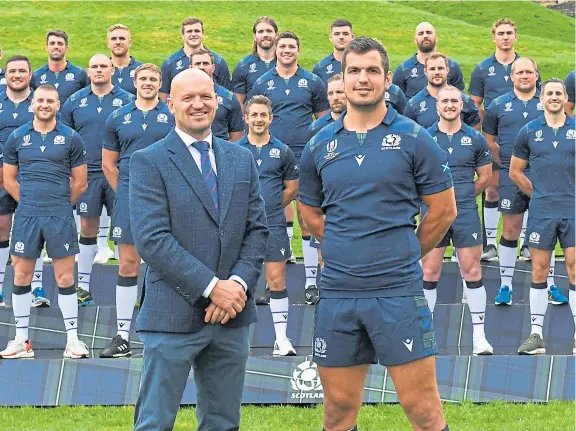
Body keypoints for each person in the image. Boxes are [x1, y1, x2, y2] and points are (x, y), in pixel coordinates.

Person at [298, 37, 455, 431]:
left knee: (423, 410)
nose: (362, 79)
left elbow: (443, 210)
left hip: (396, 290)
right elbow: (309, 211)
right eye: (354, 71)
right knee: (336, 413)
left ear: (387, 79)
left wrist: (403, 252)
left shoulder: (416, 138)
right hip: (337, 291)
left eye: (372, 71)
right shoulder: (319, 144)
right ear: (343, 78)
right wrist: (339, 245)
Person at [130, 68, 268, 431]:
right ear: (170, 104)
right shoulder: (149, 161)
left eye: (205, 96)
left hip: (232, 315)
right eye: (187, 98)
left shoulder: (241, 159)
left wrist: (236, 285)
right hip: (172, 314)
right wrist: (212, 288)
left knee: (223, 422)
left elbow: (257, 230)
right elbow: (152, 239)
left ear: (218, 101)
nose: (198, 104)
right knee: (155, 422)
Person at [0, 85, 88, 359]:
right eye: (40, 100)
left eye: (50, 100)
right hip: (27, 216)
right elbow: (9, 179)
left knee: (65, 277)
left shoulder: (72, 138)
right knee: (22, 275)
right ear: (32, 104)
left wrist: (59, 204)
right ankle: (21, 340)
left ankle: (73, 340)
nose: (45, 104)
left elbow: (81, 183)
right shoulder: (17, 138)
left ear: (58, 104)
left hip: (59, 216)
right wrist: (28, 202)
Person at [101, 63, 174, 358]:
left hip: (166, 201)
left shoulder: (171, 116)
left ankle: (165, 331)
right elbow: (109, 164)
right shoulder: (118, 117)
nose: (147, 83)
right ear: (134, 81)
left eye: (153, 79)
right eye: (142, 78)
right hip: (129, 200)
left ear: (160, 83)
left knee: (166, 264)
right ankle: (122, 336)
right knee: (128, 264)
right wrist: (128, 195)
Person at [251, 31, 329, 302]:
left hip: (304, 156)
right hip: (272, 159)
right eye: (282, 46)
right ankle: (273, 280)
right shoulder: (262, 82)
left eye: (291, 47)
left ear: (298, 50)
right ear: (275, 49)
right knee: (273, 218)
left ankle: (311, 283)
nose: (286, 50)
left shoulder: (312, 81)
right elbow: (254, 117)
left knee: (307, 217)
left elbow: (323, 122)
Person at [484, 57, 566, 306]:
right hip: (513, 175)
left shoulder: (548, 101)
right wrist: (510, 163)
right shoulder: (497, 106)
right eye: (519, 72)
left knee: (547, 230)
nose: (524, 76)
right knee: (511, 229)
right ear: (511, 77)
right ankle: (506, 285)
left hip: (546, 177)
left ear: (536, 75)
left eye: (529, 72)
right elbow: (488, 142)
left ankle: (550, 285)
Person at [422, 86, 493, 355]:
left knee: (472, 270)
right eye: (445, 101)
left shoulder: (475, 139)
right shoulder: (426, 138)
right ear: (436, 106)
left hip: (465, 213)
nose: (450, 105)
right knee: (429, 272)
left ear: (462, 105)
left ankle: (479, 337)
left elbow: (485, 177)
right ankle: (426, 337)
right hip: (433, 215)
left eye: (455, 101)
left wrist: (461, 197)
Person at [61, 54, 134, 307]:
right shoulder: (74, 102)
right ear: (88, 71)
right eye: (95, 66)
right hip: (88, 174)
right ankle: (82, 287)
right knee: (88, 229)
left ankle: (130, 288)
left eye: (104, 66)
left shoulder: (128, 101)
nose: (99, 70)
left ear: (113, 69)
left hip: (119, 173)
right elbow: (66, 138)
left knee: (128, 231)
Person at [509, 78, 576, 355]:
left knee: (574, 267)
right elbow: (515, 171)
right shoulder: (528, 131)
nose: (554, 97)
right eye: (549, 93)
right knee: (539, 269)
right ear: (542, 99)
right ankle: (536, 335)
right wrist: (536, 194)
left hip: (572, 210)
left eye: (558, 93)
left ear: (565, 97)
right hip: (542, 211)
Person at [237, 95, 298, 355]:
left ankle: (281, 339)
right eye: (255, 115)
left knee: (276, 280)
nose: (259, 119)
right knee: (240, 281)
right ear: (246, 118)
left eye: (264, 115)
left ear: (271, 119)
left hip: (273, 223)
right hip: (241, 225)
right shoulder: (236, 151)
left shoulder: (282, 151)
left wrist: (270, 208)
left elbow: (292, 187)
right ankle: (238, 341)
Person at [469, 18, 529, 261]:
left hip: (525, 143)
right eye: (501, 33)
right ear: (493, 37)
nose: (505, 37)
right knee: (492, 190)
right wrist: (486, 133)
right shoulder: (482, 69)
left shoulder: (526, 66)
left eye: (509, 33)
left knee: (527, 191)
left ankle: (526, 243)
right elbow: (474, 105)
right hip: (495, 141)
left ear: (515, 37)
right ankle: (490, 244)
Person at [0, 56, 48, 308]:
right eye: (12, 71)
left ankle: (36, 288)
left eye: (22, 71)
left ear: (30, 74)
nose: (17, 75)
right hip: (1, 174)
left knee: (34, 231)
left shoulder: (40, 101)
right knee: (1, 228)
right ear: (5, 75)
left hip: (34, 174)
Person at [160, 17, 231, 100]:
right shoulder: (170, 63)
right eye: (189, 31)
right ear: (182, 35)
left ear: (203, 33)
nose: (193, 34)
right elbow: (163, 96)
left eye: (197, 31)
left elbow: (227, 94)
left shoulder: (218, 61)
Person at [404, 52, 480, 129]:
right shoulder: (413, 104)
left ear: (447, 70)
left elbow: (474, 129)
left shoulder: (464, 100)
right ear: (425, 72)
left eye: (440, 68)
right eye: (432, 69)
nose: (437, 72)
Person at [393, 22, 465, 98]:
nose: (425, 36)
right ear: (415, 40)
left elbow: (460, 100)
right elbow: (396, 102)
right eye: (421, 33)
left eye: (429, 33)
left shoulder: (452, 66)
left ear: (436, 37)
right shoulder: (403, 69)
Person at [189, 48, 244, 141]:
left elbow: (237, 136)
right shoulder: (181, 95)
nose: (201, 67)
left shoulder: (229, 98)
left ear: (213, 67)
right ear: (190, 68)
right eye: (197, 64)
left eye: (206, 63)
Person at [232, 16, 278, 108]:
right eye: (260, 31)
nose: (265, 35)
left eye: (269, 31)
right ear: (254, 36)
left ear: (276, 35)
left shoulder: (286, 64)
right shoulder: (243, 66)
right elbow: (238, 104)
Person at [31, 30, 89, 103]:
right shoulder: (36, 75)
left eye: (60, 44)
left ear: (66, 48)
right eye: (52, 43)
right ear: (46, 47)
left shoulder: (80, 74)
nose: (56, 47)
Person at [313, 19, 354, 85]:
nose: (341, 37)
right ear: (330, 38)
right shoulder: (320, 68)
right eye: (337, 34)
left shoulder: (362, 64)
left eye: (345, 34)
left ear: (352, 37)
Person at [107, 23, 142, 95]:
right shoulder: (100, 70)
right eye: (113, 39)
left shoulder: (142, 70)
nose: (118, 42)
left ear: (130, 43)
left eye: (122, 38)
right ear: (108, 43)